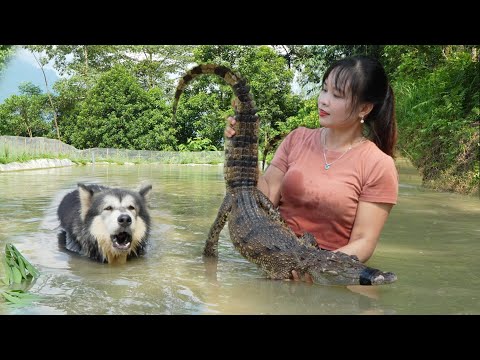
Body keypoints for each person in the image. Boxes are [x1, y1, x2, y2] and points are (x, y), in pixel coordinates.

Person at [225, 55, 398, 282]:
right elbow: (263, 198)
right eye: (324, 89)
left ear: (364, 108)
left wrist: (314, 267)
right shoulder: (297, 138)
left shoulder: (378, 164)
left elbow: (364, 242)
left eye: (337, 95)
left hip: (327, 271)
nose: (323, 100)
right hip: (275, 258)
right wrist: (242, 151)